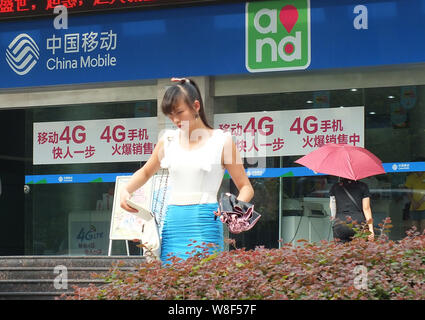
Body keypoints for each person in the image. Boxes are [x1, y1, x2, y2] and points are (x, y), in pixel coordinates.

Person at [120, 77, 254, 263]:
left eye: (179, 112)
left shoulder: (222, 141)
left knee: (204, 281)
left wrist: (233, 212)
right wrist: (125, 191)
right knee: (171, 282)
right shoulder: (167, 140)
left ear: (196, 106)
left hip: (206, 220)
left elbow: (246, 187)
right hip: (173, 221)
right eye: (170, 115)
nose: (175, 120)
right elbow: (145, 172)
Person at [329, 178, 374, 242]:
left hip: (340, 224)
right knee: (360, 250)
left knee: (340, 250)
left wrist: (334, 219)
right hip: (358, 223)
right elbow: (366, 208)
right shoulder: (363, 186)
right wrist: (371, 229)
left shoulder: (335, 187)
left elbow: (332, 207)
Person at [404, 170, 425, 234]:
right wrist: (413, 202)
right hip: (414, 207)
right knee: (414, 230)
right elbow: (408, 191)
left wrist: (419, 203)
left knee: (423, 230)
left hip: (423, 206)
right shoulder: (411, 177)